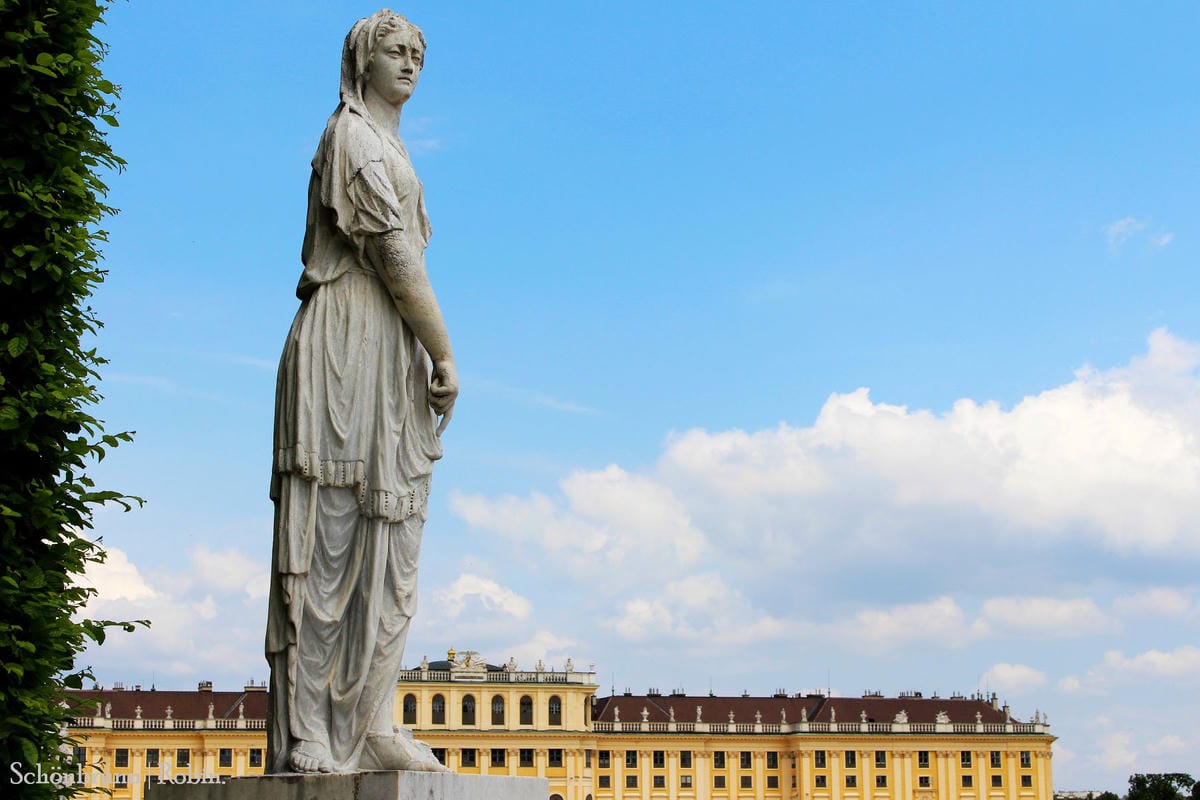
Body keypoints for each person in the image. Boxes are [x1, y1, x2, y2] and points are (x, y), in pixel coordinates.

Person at [265, 9, 456, 774]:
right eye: (395, 50)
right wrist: (444, 351)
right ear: (361, 60)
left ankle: (372, 716)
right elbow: (395, 257)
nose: (410, 62)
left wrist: (422, 353)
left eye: (418, 53)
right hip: (345, 343)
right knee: (330, 545)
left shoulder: (393, 145)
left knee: (391, 551)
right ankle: (310, 727)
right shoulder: (349, 137)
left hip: (389, 352)